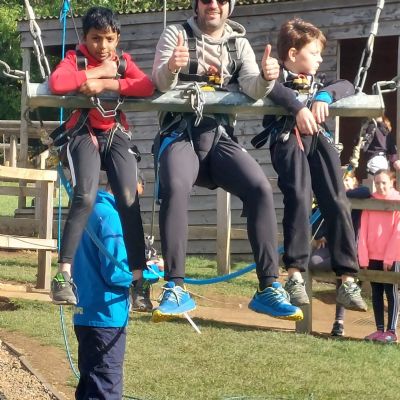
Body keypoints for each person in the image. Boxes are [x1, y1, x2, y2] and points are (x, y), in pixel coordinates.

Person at [151, 0, 303, 322]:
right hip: (180, 133)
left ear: (229, 7)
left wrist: (266, 78)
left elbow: (252, 87)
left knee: (259, 187)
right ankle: (175, 286)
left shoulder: (238, 44)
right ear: (196, 4)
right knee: (175, 186)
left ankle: (267, 287)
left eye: (221, 1)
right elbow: (160, 83)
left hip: (218, 135)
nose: (214, 5)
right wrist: (173, 67)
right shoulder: (175, 35)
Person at [252, 18, 367, 312]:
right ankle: (295, 273)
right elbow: (271, 88)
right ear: (293, 54)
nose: (319, 59)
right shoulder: (274, 77)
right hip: (288, 137)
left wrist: (325, 96)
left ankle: (347, 277)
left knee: (337, 199)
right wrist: (298, 107)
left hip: (318, 138)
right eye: (314, 53)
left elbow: (347, 85)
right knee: (300, 196)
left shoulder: (320, 83)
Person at [49, 6, 154, 305]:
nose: (103, 46)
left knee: (129, 198)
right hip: (83, 130)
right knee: (85, 195)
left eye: (109, 39)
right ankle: (63, 275)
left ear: (117, 38)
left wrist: (107, 81)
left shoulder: (122, 62)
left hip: (114, 132)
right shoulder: (76, 59)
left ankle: (138, 279)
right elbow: (58, 83)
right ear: (85, 38)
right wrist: (96, 71)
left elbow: (146, 85)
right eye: (96, 38)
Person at [72, 185, 132, 399]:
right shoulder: (110, 216)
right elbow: (116, 272)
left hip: (84, 313)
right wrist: (147, 271)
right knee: (106, 388)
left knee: (89, 384)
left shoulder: (83, 212)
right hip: (106, 316)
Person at [309, 170, 371, 336]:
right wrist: (319, 234)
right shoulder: (330, 198)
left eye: (348, 180)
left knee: (342, 270)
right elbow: (315, 216)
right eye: (341, 181)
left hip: (348, 249)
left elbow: (366, 191)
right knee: (314, 262)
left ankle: (339, 322)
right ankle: (341, 269)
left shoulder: (355, 195)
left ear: (355, 182)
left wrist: (339, 194)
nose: (344, 183)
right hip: (330, 246)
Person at [358, 169, 400, 343]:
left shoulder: (398, 201)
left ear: (392, 182)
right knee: (376, 292)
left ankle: (391, 331)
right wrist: (363, 257)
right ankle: (379, 329)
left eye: (384, 182)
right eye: (377, 183)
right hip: (373, 255)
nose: (380, 186)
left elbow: (398, 233)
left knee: (391, 291)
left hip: (392, 256)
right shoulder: (370, 202)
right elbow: (362, 230)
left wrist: (389, 257)